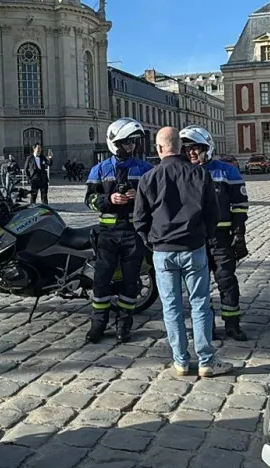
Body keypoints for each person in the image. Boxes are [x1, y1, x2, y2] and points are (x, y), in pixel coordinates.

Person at [135, 126, 231, 377]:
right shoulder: (200, 175)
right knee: (200, 305)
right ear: (180, 147)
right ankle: (207, 361)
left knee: (171, 307)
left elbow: (139, 219)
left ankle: (180, 360)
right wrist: (203, 236)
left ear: (158, 149)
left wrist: (152, 243)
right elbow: (214, 214)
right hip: (194, 248)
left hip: (163, 251)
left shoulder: (148, 178)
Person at [85, 118, 153, 343]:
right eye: (126, 143)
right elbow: (90, 200)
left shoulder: (144, 169)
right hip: (107, 235)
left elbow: (156, 199)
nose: (131, 147)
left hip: (133, 234)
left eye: (133, 142)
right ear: (115, 143)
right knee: (101, 282)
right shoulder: (100, 170)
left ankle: (124, 326)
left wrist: (140, 196)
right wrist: (108, 198)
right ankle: (98, 325)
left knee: (130, 282)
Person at [180, 125, 250, 341]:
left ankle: (232, 324)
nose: (191, 152)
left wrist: (239, 235)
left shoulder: (227, 171)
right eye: (187, 148)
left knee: (226, 280)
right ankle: (206, 326)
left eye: (195, 148)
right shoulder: (183, 172)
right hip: (194, 238)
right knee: (198, 285)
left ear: (206, 148)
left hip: (220, 238)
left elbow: (239, 206)